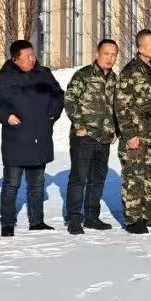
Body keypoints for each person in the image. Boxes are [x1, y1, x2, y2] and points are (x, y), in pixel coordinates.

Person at [0, 39, 64, 237]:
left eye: (32, 55)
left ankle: (37, 221)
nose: (31, 59)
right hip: (17, 139)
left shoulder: (43, 74)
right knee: (12, 184)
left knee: (37, 183)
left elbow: (58, 95)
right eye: (27, 56)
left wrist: (52, 113)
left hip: (40, 137)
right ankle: (7, 223)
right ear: (15, 59)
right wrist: (7, 117)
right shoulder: (3, 79)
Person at [114, 29, 151, 234]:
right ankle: (133, 219)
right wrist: (129, 134)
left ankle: (149, 215)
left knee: (150, 176)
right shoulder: (131, 71)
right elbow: (121, 105)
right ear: (141, 48)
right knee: (134, 177)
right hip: (136, 136)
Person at [64, 39, 120, 235]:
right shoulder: (84, 75)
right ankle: (74, 219)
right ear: (98, 53)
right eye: (106, 54)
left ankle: (91, 217)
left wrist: (116, 130)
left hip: (104, 138)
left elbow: (118, 107)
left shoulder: (114, 79)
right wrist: (79, 125)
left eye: (113, 55)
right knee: (79, 178)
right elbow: (70, 100)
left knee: (97, 180)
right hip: (84, 137)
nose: (110, 58)